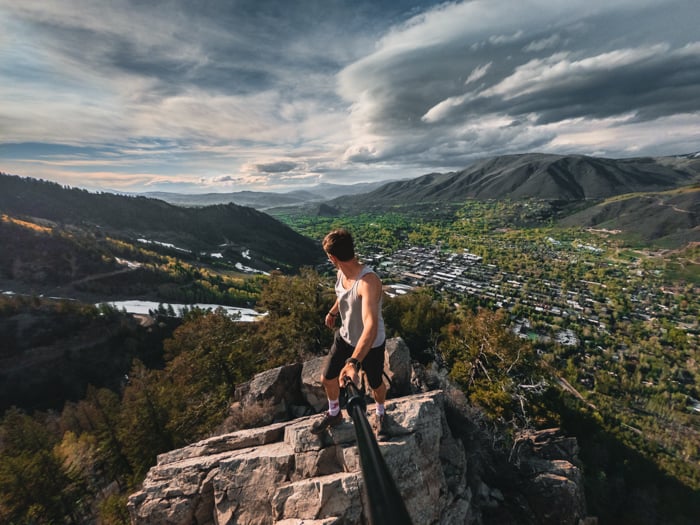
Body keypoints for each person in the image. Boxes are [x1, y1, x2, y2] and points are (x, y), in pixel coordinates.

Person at [310, 228, 389, 440]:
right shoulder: (342, 273)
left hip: (370, 344)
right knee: (327, 378)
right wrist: (333, 312)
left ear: (332, 257)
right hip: (345, 337)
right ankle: (335, 413)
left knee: (375, 384)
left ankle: (381, 412)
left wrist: (353, 363)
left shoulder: (368, 282)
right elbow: (343, 295)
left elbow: (370, 327)